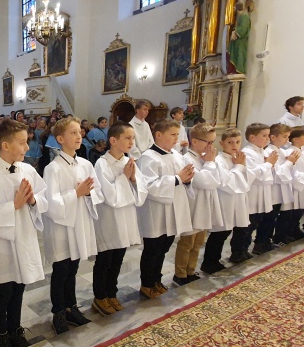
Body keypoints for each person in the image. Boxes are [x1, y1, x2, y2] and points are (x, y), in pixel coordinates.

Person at [0, 120, 47, 347]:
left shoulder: (28, 170)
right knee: (3, 291)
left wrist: (33, 200)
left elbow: (44, 198)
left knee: (19, 288)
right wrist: (12, 205)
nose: (27, 147)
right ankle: (1, 336)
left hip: (24, 237)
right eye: (22, 143)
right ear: (5, 145)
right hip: (1, 243)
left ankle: (16, 330)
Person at [43, 117, 102, 334]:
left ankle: (71, 308)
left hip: (80, 223)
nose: (79, 136)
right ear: (60, 139)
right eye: (73, 133)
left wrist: (88, 193)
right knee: (61, 270)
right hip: (61, 227)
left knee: (73, 268)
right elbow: (51, 203)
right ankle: (58, 312)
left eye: (80, 132)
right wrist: (75, 193)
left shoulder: (86, 164)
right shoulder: (53, 168)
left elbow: (98, 193)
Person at [91, 122, 147, 315]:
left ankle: (111, 293)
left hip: (125, 218)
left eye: (133, 138)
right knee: (105, 260)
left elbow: (141, 189)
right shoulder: (102, 164)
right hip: (108, 219)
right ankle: (100, 297)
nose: (132, 142)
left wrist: (132, 178)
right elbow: (109, 196)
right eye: (127, 138)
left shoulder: (128, 161)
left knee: (118, 259)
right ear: (113, 140)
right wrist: (125, 178)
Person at [137, 119, 193, 298]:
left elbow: (183, 178)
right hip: (156, 211)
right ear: (159, 135)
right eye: (173, 135)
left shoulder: (176, 155)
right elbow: (149, 185)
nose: (176, 138)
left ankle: (156, 280)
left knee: (164, 248)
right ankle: (147, 284)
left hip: (173, 209)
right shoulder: (148, 157)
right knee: (152, 249)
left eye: (177, 134)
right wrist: (177, 178)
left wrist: (188, 179)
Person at [174, 123, 222, 286]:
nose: (211, 147)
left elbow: (216, 181)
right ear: (194, 141)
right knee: (187, 243)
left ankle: (191, 270)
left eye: (213, 142)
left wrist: (210, 162)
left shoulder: (204, 158)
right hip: (192, 206)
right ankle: (180, 274)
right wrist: (210, 162)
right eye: (208, 142)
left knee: (198, 242)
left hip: (204, 206)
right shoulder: (187, 159)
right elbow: (204, 182)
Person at [200, 128, 250, 274]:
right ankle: (209, 262)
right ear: (222, 143)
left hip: (237, 201)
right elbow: (227, 182)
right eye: (230, 142)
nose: (234, 145)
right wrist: (239, 166)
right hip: (224, 201)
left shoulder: (238, 157)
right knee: (219, 234)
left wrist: (241, 166)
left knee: (227, 231)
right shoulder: (219, 160)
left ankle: (217, 259)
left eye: (238, 142)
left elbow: (246, 180)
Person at [230, 123, 277, 263]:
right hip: (251, 194)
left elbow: (266, 172)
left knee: (255, 223)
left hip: (261, 193)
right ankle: (238, 252)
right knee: (245, 226)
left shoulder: (262, 151)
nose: (268, 138)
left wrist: (270, 165)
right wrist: (268, 164)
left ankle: (245, 249)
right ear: (252, 137)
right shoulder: (247, 152)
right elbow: (252, 174)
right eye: (264, 135)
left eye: (268, 135)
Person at [254, 123, 297, 251]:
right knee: (267, 219)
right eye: (284, 137)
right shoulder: (269, 152)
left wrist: (290, 162)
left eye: (288, 137)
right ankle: (261, 243)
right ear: (273, 137)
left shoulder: (281, 151)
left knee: (272, 218)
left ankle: (267, 241)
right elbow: (277, 173)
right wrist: (289, 162)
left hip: (278, 191)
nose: (287, 140)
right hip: (271, 190)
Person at [280, 126, 304, 241]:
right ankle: (283, 235)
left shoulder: (302, 151)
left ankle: (294, 230)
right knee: (289, 214)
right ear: (296, 139)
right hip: (293, 187)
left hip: (301, 186)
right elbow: (291, 172)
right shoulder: (292, 152)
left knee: (298, 212)